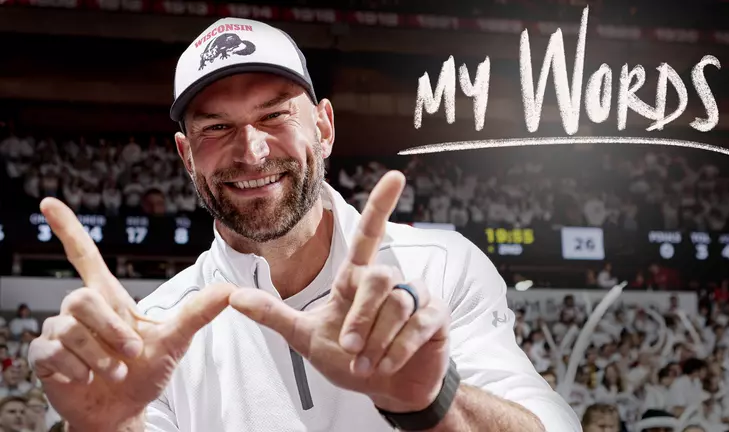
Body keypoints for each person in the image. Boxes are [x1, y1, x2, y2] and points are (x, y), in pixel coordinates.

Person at [27, 17, 580, 432]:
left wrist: (434, 401)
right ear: (186, 156)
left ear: (324, 126)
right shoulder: (154, 333)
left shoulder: (440, 266)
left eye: (274, 115)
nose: (251, 150)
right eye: (217, 127)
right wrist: (107, 428)